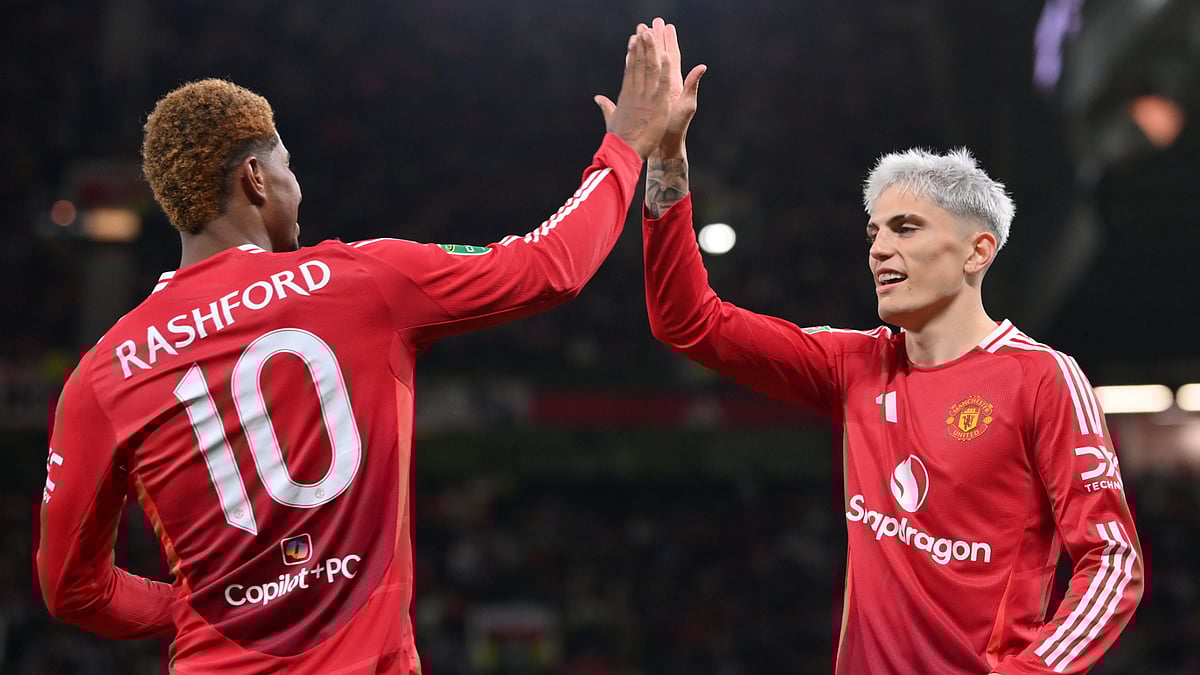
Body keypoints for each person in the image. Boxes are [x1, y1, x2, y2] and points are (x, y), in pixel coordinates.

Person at [37, 22, 675, 674]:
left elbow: (72, 588)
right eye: (288, 167)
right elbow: (550, 266)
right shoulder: (357, 282)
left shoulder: (103, 373)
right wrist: (624, 147)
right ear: (256, 177)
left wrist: (199, 606)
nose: (297, 190)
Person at [638, 25, 1143, 675]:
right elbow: (688, 322)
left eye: (906, 228)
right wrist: (668, 162)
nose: (879, 248)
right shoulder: (852, 365)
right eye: (875, 231)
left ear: (975, 251)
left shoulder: (1041, 378)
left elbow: (1112, 560)